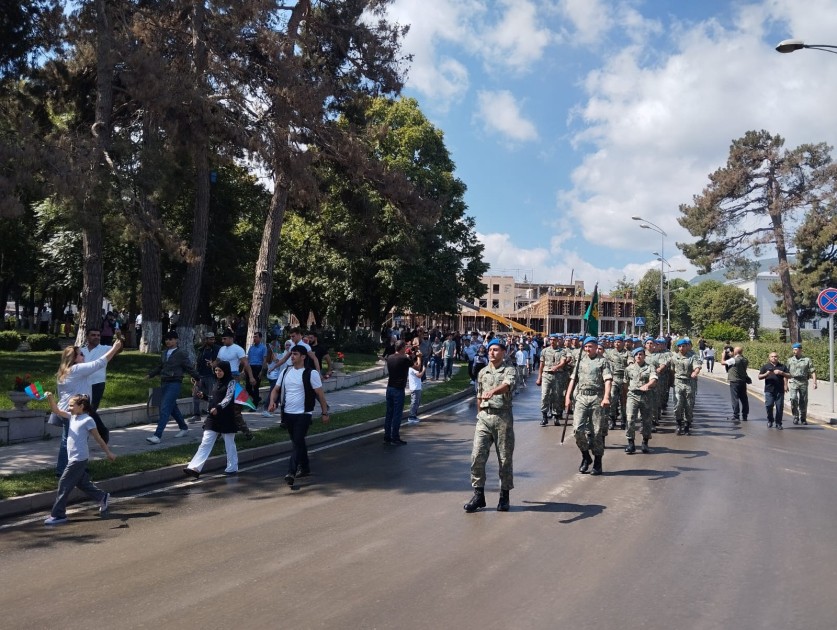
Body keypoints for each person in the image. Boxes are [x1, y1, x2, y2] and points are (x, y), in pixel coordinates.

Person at [53, 337, 123, 477]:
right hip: (75, 411)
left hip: (69, 410)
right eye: (81, 354)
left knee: (69, 441)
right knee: (76, 442)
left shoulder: (65, 371)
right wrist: (114, 348)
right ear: (74, 358)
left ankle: (68, 469)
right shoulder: (77, 369)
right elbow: (99, 363)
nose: (83, 356)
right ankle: (69, 470)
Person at [43, 392, 115, 525]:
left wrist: (108, 453)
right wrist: (50, 398)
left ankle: (58, 514)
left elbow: (98, 438)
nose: (69, 408)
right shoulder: (72, 417)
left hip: (79, 458)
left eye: (71, 405)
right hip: (72, 458)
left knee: (64, 484)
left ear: (81, 406)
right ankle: (102, 496)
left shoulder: (88, 420)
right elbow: (56, 410)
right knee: (82, 483)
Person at [463, 339, 516, 513]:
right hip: (485, 417)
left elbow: (508, 385)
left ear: (503, 352)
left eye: (495, 350)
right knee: (477, 455)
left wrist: (493, 391)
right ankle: (479, 495)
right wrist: (479, 415)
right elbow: (479, 395)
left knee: (504, 459)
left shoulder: (509, 370)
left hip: (502, 417)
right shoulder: (483, 372)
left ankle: (504, 496)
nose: (491, 353)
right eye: (489, 350)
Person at [267, 345, 330, 486]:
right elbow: (276, 390)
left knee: (297, 442)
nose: (292, 356)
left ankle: (291, 472)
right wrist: (272, 401)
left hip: (304, 414)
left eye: (295, 354)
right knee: (298, 442)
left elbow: (320, 394)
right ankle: (305, 467)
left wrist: (325, 412)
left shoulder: (311, 373)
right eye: (291, 354)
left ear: (303, 357)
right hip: (288, 414)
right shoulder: (285, 372)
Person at [183, 361, 239, 477]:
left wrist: (218, 407)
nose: (217, 372)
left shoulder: (232, 382)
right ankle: (195, 468)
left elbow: (228, 398)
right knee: (205, 442)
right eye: (216, 370)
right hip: (213, 417)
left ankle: (232, 467)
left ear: (226, 371)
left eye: (220, 370)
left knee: (229, 443)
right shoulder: (216, 382)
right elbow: (213, 398)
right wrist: (204, 397)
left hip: (226, 417)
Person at [565, 336, 612, 476]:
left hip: (597, 397)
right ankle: (586, 456)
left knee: (597, 432)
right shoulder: (580, 361)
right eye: (585, 347)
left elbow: (608, 380)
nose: (587, 349)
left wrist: (606, 397)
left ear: (596, 347)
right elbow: (573, 380)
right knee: (577, 430)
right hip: (581, 397)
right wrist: (567, 397)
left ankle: (598, 462)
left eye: (590, 347)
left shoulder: (603, 361)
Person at [146, 330, 201, 444]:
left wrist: (197, 378)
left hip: (175, 383)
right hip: (164, 382)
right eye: (166, 339)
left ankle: (157, 436)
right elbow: (160, 366)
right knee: (173, 407)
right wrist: (151, 374)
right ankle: (184, 427)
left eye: (171, 339)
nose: (168, 341)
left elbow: (189, 367)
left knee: (165, 408)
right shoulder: (164, 353)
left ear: (176, 340)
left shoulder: (181, 353)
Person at [215, 328, 256, 439]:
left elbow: (246, 364)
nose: (223, 341)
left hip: (233, 378)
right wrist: (212, 365)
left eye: (225, 338)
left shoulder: (238, 349)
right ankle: (218, 432)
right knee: (220, 405)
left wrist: (251, 377)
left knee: (235, 409)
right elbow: (217, 362)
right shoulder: (222, 349)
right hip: (221, 379)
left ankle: (247, 433)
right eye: (222, 339)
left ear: (231, 338)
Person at [623, 347, 657, 454]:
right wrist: (625, 398)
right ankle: (630, 443)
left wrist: (647, 385)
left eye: (641, 354)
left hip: (646, 396)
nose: (639, 356)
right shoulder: (629, 369)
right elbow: (625, 383)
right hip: (632, 395)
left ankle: (645, 443)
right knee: (630, 418)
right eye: (636, 354)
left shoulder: (650, 367)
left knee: (646, 420)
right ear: (634, 356)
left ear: (644, 356)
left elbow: (654, 380)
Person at [80, 327, 122, 411]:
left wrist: (119, 337)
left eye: (98, 335)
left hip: (97, 383)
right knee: (83, 408)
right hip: (82, 383)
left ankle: (95, 424)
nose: (96, 337)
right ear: (87, 337)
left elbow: (119, 349)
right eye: (93, 335)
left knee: (92, 409)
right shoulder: (81, 350)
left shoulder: (105, 348)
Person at [383, 340, 412, 445]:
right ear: (402, 348)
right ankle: (395, 437)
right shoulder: (404, 358)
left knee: (389, 413)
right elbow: (416, 366)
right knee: (397, 414)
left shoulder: (389, 358)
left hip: (389, 388)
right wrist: (417, 356)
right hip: (398, 389)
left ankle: (387, 436)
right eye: (405, 347)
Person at [672, 338, 701, 435]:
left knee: (689, 405)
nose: (681, 348)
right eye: (679, 346)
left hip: (689, 382)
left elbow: (697, 366)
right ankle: (678, 424)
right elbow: (672, 369)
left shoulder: (692, 357)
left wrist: (695, 372)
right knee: (677, 404)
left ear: (686, 346)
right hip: (678, 382)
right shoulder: (674, 357)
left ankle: (687, 425)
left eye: (683, 346)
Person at [536, 334, 567, 426]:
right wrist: (539, 378)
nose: (552, 341)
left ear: (558, 340)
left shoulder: (562, 351)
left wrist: (556, 367)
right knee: (544, 395)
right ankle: (544, 416)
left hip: (557, 376)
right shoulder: (544, 351)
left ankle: (556, 416)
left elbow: (563, 362)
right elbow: (541, 365)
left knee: (557, 396)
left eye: (554, 340)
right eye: (551, 340)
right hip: (546, 375)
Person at [191, 332, 219, 423]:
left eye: (213, 339)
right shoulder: (201, 350)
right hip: (200, 376)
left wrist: (213, 364)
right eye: (210, 339)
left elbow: (220, 361)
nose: (212, 341)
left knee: (211, 396)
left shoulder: (217, 349)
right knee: (195, 394)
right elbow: (197, 363)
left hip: (211, 376)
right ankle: (196, 415)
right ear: (205, 340)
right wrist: (194, 375)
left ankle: (210, 414)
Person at [787, 342, 817, 425]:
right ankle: (796, 416)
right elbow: (786, 373)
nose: (794, 351)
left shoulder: (807, 360)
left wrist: (815, 382)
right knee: (793, 398)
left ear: (800, 350)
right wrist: (785, 384)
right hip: (793, 381)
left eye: (796, 350)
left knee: (803, 400)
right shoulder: (790, 360)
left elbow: (812, 371)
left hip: (803, 382)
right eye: (793, 349)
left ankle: (803, 418)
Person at [759, 351, 789, 429]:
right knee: (769, 405)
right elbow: (759, 377)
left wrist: (781, 373)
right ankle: (770, 420)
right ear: (769, 358)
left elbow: (789, 375)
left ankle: (778, 423)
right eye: (772, 356)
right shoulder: (765, 366)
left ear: (778, 357)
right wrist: (767, 374)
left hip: (779, 390)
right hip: (769, 390)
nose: (774, 358)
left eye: (775, 356)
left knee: (779, 407)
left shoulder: (782, 366)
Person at [723, 346, 750, 422]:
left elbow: (723, 362)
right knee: (744, 398)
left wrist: (723, 355)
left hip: (734, 381)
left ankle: (736, 415)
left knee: (735, 398)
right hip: (743, 381)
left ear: (735, 352)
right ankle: (745, 415)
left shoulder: (733, 360)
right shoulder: (745, 360)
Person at [246, 331, 268, 410]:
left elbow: (264, 360)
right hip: (250, 367)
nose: (254, 338)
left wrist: (262, 371)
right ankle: (257, 398)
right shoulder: (251, 347)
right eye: (253, 337)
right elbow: (247, 359)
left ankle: (254, 405)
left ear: (260, 338)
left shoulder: (263, 348)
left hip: (258, 367)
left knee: (255, 387)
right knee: (248, 387)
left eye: (256, 337)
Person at [407, 352, 426, 424]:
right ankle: (411, 416)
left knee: (417, 402)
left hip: (417, 387)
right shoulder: (412, 368)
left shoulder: (413, 368)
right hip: (414, 388)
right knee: (414, 402)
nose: (417, 363)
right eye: (416, 362)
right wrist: (423, 370)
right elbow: (419, 375)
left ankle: (414, 415)